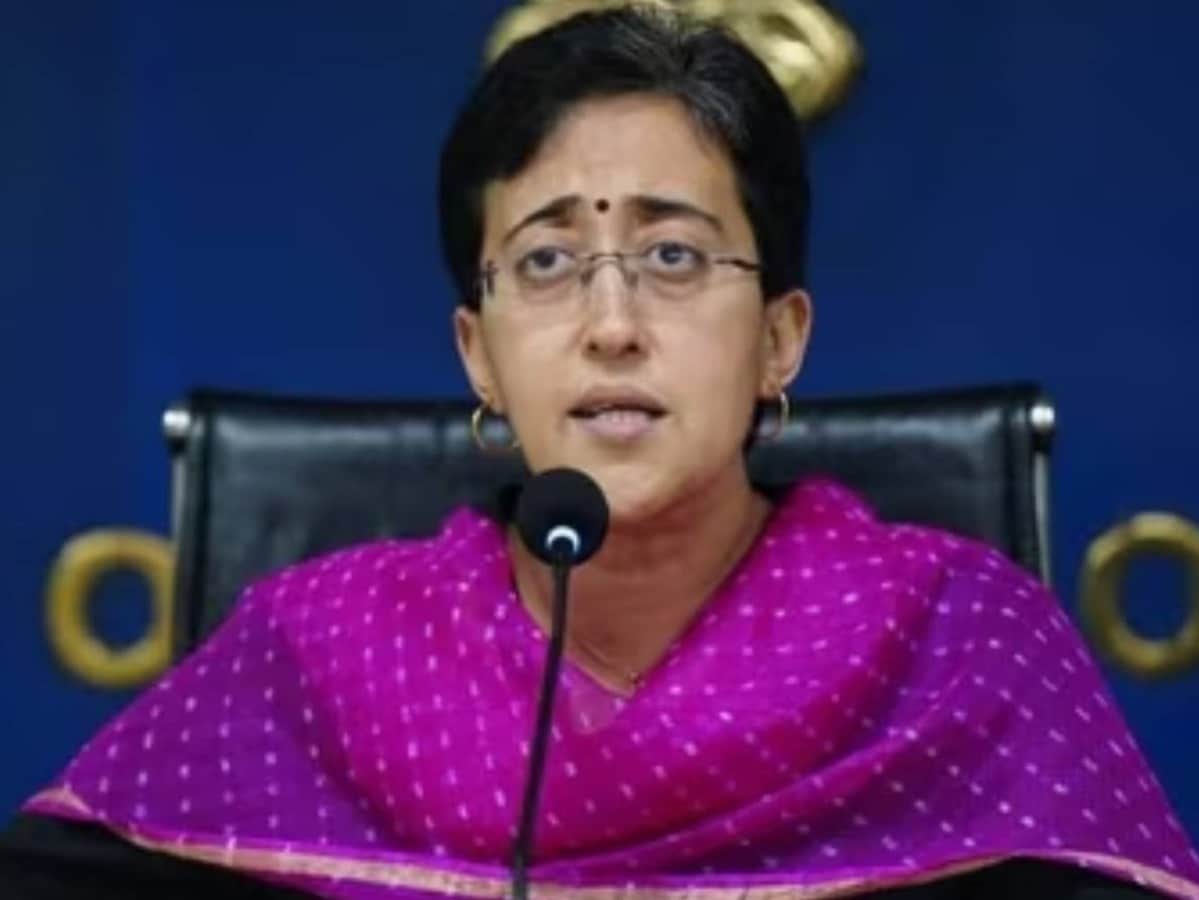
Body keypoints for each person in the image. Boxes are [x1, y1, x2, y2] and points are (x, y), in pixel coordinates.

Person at [3, 6, 1197, 898]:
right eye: (546, 262)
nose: (611, 324)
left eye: (673, 257)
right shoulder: (316, 651)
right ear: (478, 353)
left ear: (778, 338)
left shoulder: (962, 643)